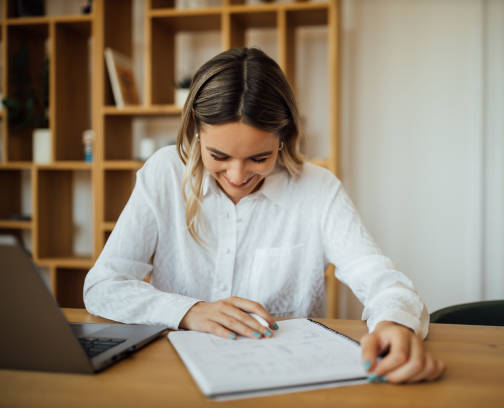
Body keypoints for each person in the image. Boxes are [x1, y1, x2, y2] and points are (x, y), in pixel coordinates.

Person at [84, 47, 445, 384]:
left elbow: (381, 279)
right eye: (219, 156)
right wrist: (188, 311)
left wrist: (396, 324)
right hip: (175, 377)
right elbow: (103, 285)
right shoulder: (165, 173)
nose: (238, 176)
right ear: (196, 128)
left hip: (285, 381)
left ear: (283, 136)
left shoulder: (317, 189)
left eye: (259, 158)